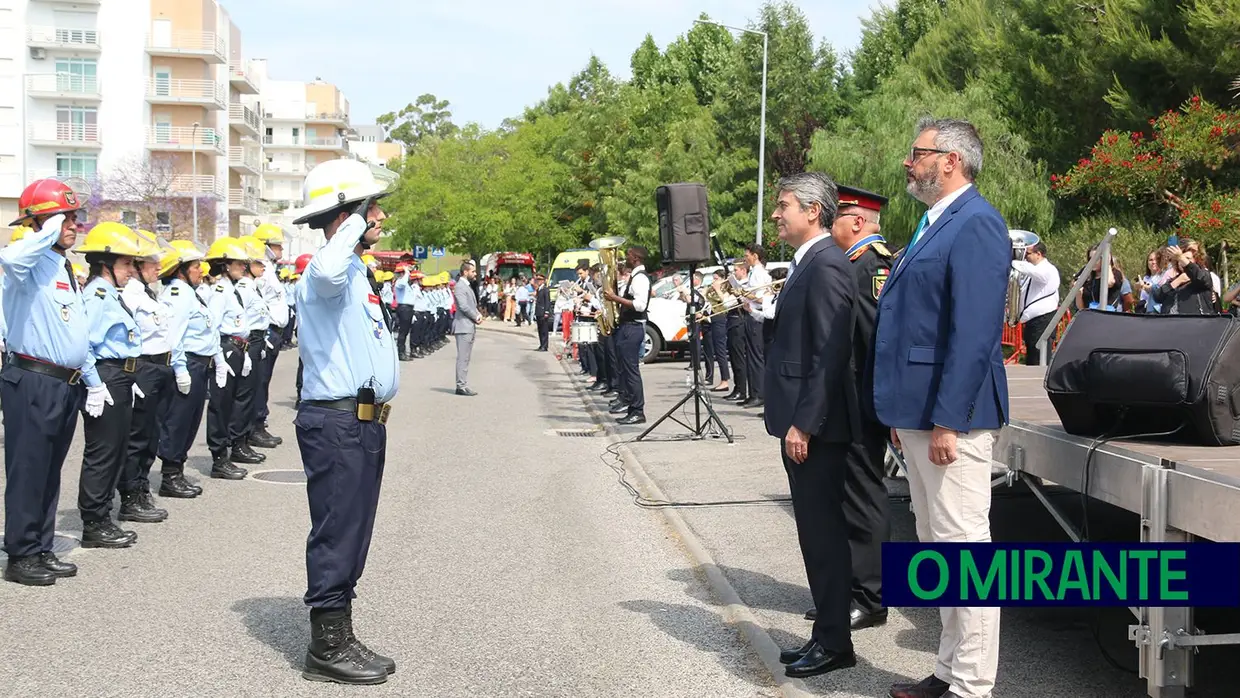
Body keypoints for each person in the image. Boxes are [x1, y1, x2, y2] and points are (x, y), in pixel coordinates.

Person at [872, 118, 1011, 698]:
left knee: (963, 551)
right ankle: (950, 671)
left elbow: (975, 334)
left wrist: (948, 419)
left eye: (917, 153)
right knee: (939, 551)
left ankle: (972, 686)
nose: (908, 162)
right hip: (919, 414)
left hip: (952, 416)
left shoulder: (977, 224)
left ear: (949, 160)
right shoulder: (934, 222)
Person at [291, 158, 400, 685]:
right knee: (338, 531)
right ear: (347, 214)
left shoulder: (356, 271)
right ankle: (326, 646)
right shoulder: (323, 273)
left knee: (354, 531)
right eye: (370, 207)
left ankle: (341, 632)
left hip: (362, 422)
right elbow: (328, 269)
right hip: (336, 421)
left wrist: (356, 218)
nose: (380, 216)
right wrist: (354, 215)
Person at [762, 172, 859, 679]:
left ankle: (836, 643)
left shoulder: (827, 266)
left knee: (823, 537)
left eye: (783, 206)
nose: (776, 214)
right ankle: (826, 635)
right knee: (813, 535)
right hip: (803, 422)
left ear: (812, 211)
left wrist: (804, 423)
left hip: (815, 427)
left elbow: (829, 353)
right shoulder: (811, 263)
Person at [799, 184, 895, 632]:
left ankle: (870, 596)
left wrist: (877, 409)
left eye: (834, 218)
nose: (827, 227)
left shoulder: (870, 267)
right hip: (848, 402)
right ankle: (850, 590)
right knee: (847, 496)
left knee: (863, 496)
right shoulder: (853, 266)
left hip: (861, 404)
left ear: (857, 221)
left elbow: (874, 344)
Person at [0, 179, 90, 586]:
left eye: (73, 217)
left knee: (50, 470)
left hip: (63, 383)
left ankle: (41, 546)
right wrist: (47, 227)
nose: (72, 225)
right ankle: (20, 554)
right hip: (33, 379)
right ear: (41, 221)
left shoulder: (61, 264)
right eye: (64, 217)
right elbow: (12, 258)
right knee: (29, 469)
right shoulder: (28, 259)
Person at [77, 223, 156, 551]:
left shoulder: (111, 294)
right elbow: (83, 344)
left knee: (118, 449)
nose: (130, 271)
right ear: (105, 264)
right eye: (124, 264)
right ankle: (94, 522)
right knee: (103, 452)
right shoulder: (96, 295)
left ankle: (103, 514)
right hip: (106, 377)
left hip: (121, 376)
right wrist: (95, 384)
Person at [117, 230, 181, 525]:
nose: (159, 267)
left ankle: (141, 487)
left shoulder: (149, 293)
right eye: (152, 263)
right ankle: (130, 496)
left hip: (159, 368)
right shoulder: (129, 295)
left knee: (152, 434)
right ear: (138, 266)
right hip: (142, 368)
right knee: (137, 437)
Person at [156, 240, 228, 499]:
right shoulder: (178, 295)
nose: (202, 270)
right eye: (196, 266)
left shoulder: (191, 293)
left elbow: (208, 331)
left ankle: (178, 469)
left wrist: (218, 359)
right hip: (187, 363)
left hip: (201, 364)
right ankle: (170, 475)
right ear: (180, 270)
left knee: (190, 421)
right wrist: (179, 368)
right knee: (178, 422)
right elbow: (173, 336)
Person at [204, 237, 256, 479]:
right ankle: (218, 458)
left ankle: (231, 448)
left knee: (235, 402)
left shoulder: (232, 290)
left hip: (237, 348)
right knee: (221, 405)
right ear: (225, 264)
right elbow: (212, 327)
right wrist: (219, 358)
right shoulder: (220, 292)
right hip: (225, 348)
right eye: (238, 263)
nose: (243, 267)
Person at [251, 224, 291, 447]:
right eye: (277, 245)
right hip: (266, 332)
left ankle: (259, 422)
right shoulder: (261, 272)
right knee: (260, 381)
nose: (281, 250)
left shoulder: (269, 270)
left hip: (274, 332)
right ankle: (256, 425)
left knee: (264, 381)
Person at [604, 250, 650, 424]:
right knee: (625, 369)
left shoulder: (640, 278)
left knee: (631, 371)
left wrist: (615, 298)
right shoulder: (635, 276)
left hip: (633, 328)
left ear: (636, 258)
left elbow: (640, 305)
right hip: (627, 327)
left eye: (630, 255)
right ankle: (631, 407)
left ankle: (638, 410)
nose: (627, 258)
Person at [1010, 241, 1060, 365]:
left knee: (1039, 359)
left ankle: (1040, 382)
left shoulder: (1047, 269)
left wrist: (1014, 262)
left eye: (1028, 253)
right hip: (1034, 321)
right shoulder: (1032, 270)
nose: (1025, 256)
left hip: (1043, 320)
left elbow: (1039, 275)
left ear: (1039, 254)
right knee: (1032, 357)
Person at [452, 260, 482, 396]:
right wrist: (475, 316)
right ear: (465, 272)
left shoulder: (467, 286)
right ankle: (460, 385)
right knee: (462, 358)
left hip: (468, 326)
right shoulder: (460, 286)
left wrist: (478, 313)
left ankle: (463, 383)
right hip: (463, 326)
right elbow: (463, 306)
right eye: (473, 271)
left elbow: (471, 304)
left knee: (466, 358)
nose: (475, 274)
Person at [534, 274, 552, 351]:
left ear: (543, 281)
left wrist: (546, 312)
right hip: (538, 312)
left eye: (540, 280)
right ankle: (541, 344)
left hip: (543, 311)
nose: (538, 281)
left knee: (544, 330)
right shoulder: (539, 289)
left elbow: (547, 301)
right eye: (537, 280)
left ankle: (545, 346)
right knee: (540, 329)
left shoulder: (545, 289)